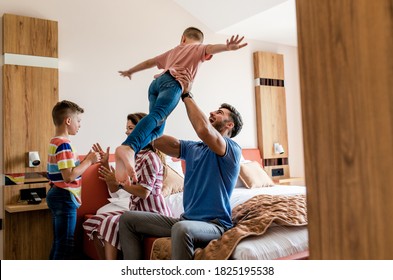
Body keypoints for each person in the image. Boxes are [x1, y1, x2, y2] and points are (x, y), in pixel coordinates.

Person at [119, 90, 243, 260]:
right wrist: (151, 115)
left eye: (219, 113)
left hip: (214, 225)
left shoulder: (232, 150)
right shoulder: (194, 148)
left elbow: (203, 130)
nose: (212, 113)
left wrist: (185, 95)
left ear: (230, 125)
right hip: (185, 220)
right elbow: (156, 139)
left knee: (181, 228)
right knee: (127, 219)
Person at [115, 27, 247, 185]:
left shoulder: (173, 51)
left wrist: (131, 71)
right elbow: (211, 48)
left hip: (155, 84)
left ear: (183, 38)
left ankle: (130, 151)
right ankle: (129, 147)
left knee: (157, 131)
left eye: (219, 112)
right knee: (157, 117)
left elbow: (149, 62)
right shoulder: (198, 48)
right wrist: (226, 47)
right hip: (173, 83)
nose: (212, 113)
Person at [82, 113, 173, 260]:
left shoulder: (150, 157)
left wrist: (119, 184)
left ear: (142, 131)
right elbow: (115, 189)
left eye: (130, 128)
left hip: (154, 213)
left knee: (109, 223)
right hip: (136, 213)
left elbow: (144, 193)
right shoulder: (132, 157)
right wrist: (105, 165)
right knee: (93, 222)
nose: (126, 132)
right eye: (126, 128)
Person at [46, 100, 101, 260]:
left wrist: (88, 159)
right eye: (78, 121)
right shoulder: (64, 144)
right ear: (68, 121)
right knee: (65, 245)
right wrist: (88, 161)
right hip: (64, 196)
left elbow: (61, 171)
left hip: (57, 193)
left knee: (59, 243)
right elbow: (69, 176)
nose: (79, 125)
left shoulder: (54, 141)